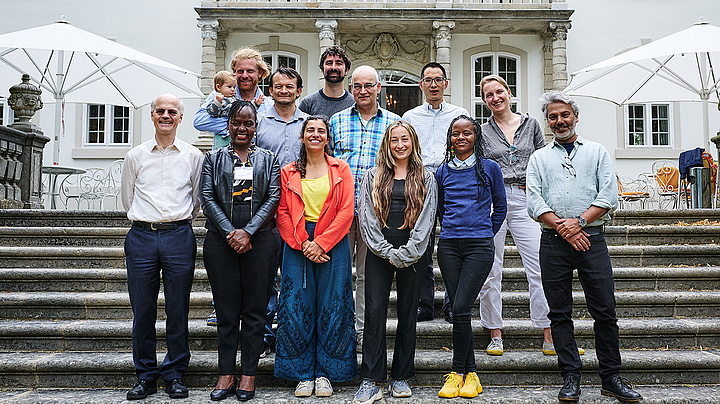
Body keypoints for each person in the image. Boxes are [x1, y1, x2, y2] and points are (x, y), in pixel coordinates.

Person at [526, 91, 642, 403]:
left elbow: (608, 196)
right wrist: (565, 228)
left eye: (564, 115)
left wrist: (578, 222)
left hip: (592, 239)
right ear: (547, 121)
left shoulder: (597, 152)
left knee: (605, 310)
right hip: (552, 242)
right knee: (559, 313)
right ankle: (570, 377)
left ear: (576, 117)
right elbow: (533, 201)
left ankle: (611, 377)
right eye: (553, 116)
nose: (559, 121)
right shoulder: (538, 158)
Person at [121, 94, 203, 400]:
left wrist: (175, 224)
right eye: (160, 111)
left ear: (181, 118)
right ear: (152, 116)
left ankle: (174, 373)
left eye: (172, 111)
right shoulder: (135, 156)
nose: (166, 115)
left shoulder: (194, 156)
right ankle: (145, 375)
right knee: (142, 310)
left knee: (177, 309)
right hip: (141, 236)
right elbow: (127, 198)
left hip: (179, 236)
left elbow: (196, 199)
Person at [200, 100, 281, 401]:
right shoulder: (212, 158)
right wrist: (230, 232)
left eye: (248, 123)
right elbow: (207, 198)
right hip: (221, 243)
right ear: (228, 125)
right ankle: (226, 374)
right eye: (237, 122)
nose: (242, 128)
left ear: (256, 126)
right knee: (226, 311)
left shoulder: (268, 159)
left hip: (260, 243)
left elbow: (273, 197)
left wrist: (248, 231)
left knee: (255, 311)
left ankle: (248, 374)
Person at [354, 120, 438, 403]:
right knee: (374, 312)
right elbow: (365, 216)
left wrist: (408, 252)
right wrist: (386, 250)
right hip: (379, 252)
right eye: (394, 140)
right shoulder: (372, 175)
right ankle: (371, 378)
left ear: (413, 141)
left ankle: (401, 376)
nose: (399, 145)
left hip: (414, 253)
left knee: (407, 313)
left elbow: (428, 219)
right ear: (386, 144)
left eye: (405, 139)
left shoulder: (427, 177)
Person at [274, 115, 357, 398]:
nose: (315, 135)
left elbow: (347, 211)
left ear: (327, 137)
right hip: (297, 243)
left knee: (333, 306)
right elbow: (283, 212)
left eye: (321, 131)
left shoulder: (341, 169)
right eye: (310, 130)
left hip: (333, 243)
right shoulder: (288, 172)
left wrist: (320, 243)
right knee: (297, 306)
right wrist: (303, 244)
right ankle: (301, 374)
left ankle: (326, 373)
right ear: (302, 136)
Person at [477, 74, 555, 356]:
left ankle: (549, 331)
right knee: (490, 268)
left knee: (538, 264)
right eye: (489, 95)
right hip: (493, 202)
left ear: (508, 92)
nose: (495, 98)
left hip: (526, 200)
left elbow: (543, 159)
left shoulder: (531, 124)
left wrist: (536, 187)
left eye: (499, 92)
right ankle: (495, 332)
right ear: (484, 100)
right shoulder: (481, 131)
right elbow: (480, 166)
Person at [330, 65, 401, 352]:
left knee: (366, 275)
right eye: (357, 86)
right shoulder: (336, 121)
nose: (362, 91)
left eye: (368, 85)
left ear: (378, 88)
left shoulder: (393, 123)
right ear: (351, 87)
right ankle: (338, 327)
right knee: (339, 272)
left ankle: (361, 331)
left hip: (376, 211)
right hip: (340, 210)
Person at [435, 115, 506, 399]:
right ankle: (469, 374)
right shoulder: (443, 171)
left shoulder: (489, 168)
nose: (461, 138)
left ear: (476, 136)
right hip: (449, 246)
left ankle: (459, 371)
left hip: (479, 246)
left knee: (461, 307)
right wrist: (452, 228)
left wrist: (486, 232)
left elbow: (500, 207)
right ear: (450, 138)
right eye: (455, 134)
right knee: (458, 311)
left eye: (467, 133)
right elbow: (440, 208)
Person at [402, 62, 469, 323]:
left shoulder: (459, 113)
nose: (433, 85)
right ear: (421, 85)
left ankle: (453, 303)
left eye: (438, 80)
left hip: (453, 178)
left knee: (453, 243)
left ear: (445, 84)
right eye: (428, 80)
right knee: (422, 244)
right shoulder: (410, 117)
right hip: (420, 181)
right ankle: (424, 304)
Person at [194, 47, 272, 149]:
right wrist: (240, 125)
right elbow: (199, 121)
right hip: (223, 161)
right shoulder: (219, 96)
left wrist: (227, 124)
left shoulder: (268, 105)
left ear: (260, 73)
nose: (244, 76)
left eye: (250, 71)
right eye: (240, 71)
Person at [299, 45, 355, 118]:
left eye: (338, 63)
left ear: (346, 70)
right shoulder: (307, 104)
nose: (333, 67)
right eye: (329, 63)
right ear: (322, 69)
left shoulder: (355, 104)